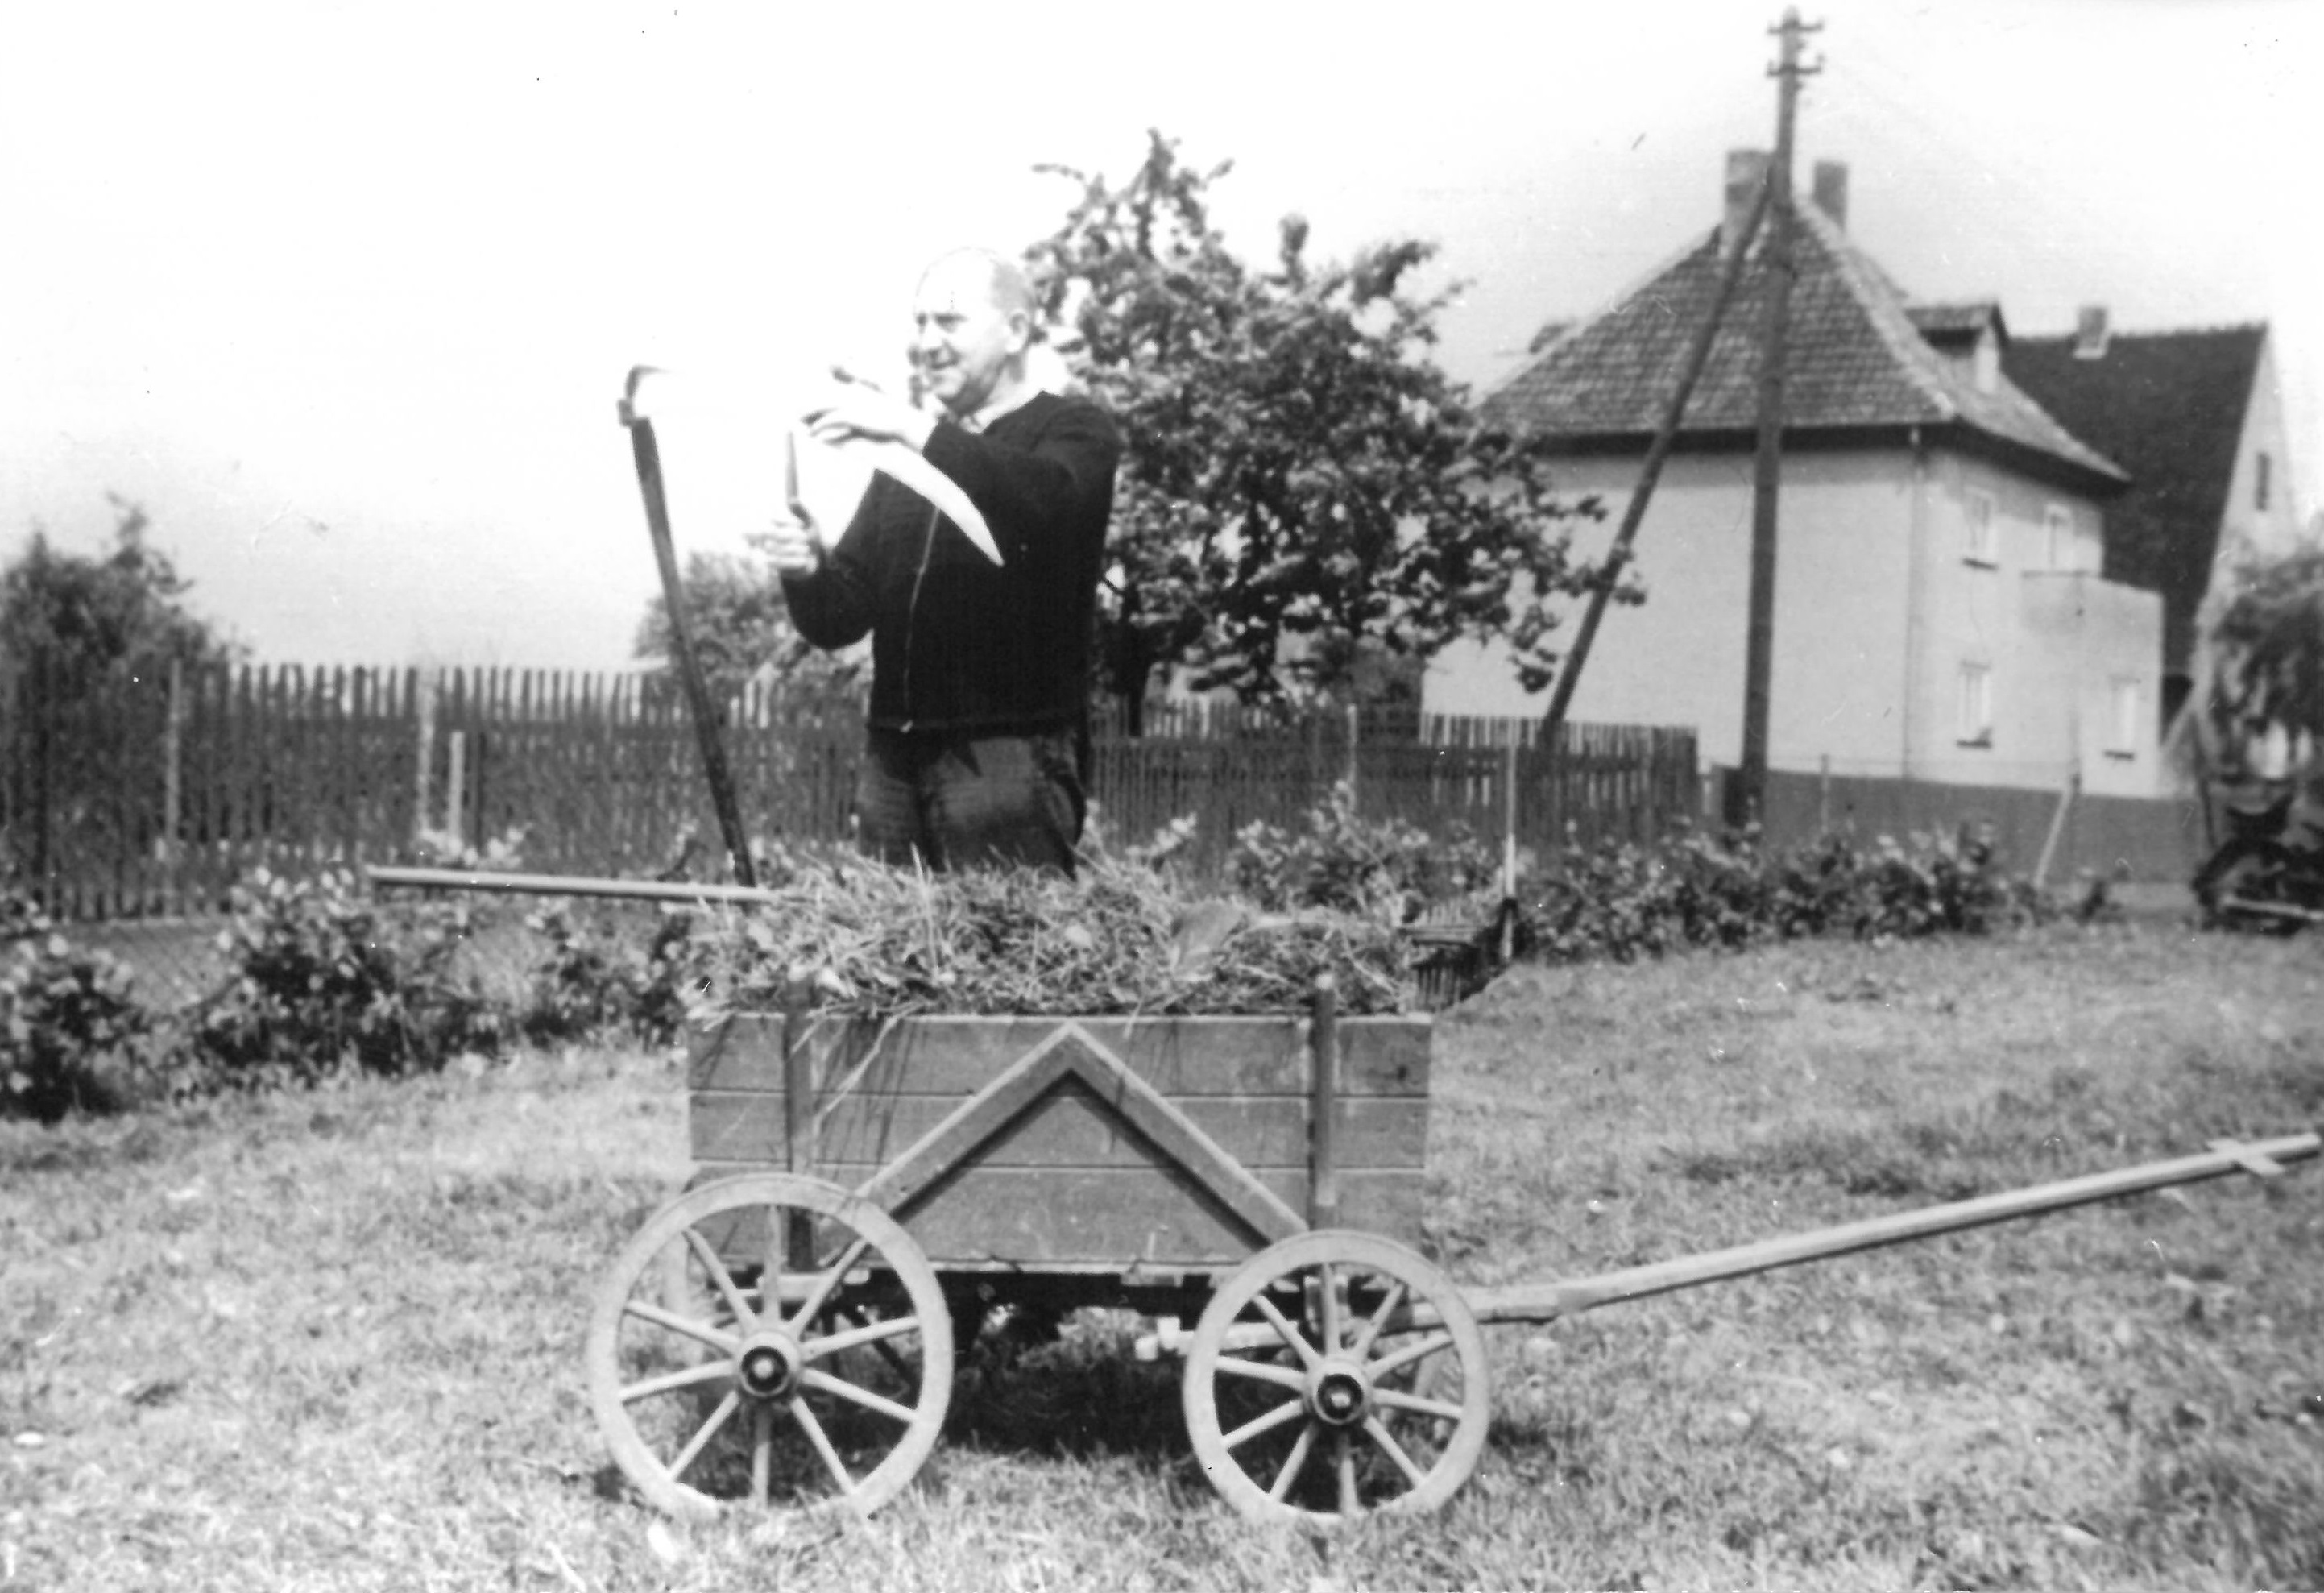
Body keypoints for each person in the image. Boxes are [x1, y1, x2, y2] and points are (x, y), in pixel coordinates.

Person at [764, 249, 1121, 874]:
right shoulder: (906, 465)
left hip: (1008, 762)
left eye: (948, 322)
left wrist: (909, 428)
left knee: (1010, 961)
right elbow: (841, 615)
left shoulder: (1074, 431)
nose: (926, 343)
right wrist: (807, 570)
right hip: (891, 766)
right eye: (920, 323)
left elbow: (1047, 501)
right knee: (883, 965)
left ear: (1014, 331)